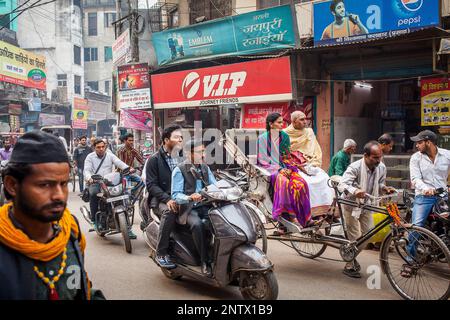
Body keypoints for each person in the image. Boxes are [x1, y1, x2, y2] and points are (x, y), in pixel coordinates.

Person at [0, 131, 101, 300]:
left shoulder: (70, 232)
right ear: (12, 185)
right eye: (45, 184)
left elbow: (80, 291)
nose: (59, 195)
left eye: (64, 184)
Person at [339, 141, 395, 278]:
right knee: (355, 237)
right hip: (350, 204)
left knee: (368, 235)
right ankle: (349, 264)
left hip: (367, 204)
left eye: (380, 157)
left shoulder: (381, 167)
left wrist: (384, 188)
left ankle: (348, 254)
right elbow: (343, 184)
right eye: (375, 157)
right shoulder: (355, 167)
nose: (378, 160)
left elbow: (380, 182)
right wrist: (355, 190)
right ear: (365, 155)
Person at [403, 130, 450, 277]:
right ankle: (410, 261)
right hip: (424, 197)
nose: (417, 145)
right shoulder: (415, 158)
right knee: (416, 227)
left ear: (428, 142)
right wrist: (427, 189)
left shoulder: (447, 155)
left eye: (419, 142)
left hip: (444, 196)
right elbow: (415, 179)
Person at [257, 113, 313, 235]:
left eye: (282, 122)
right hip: (270, 169)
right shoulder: (262, 139)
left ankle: (306, 218)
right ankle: (291, 218)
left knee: (301, 183)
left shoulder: (285, 137)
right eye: (278, 122)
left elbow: (287, 156)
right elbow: (263, 160)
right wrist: (279, 169)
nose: (281, 125)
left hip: (286, 167)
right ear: (270, 124)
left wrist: (289, 167)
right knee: (284, 182)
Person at [171, 139, 217, 276]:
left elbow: (215, 185)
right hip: (189, 209)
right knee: (198, 225)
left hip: (206, 205)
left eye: (204, 151)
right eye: (199, 152)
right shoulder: (179, 170)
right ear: (188, 154)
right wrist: (189, 197)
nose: (203, 155)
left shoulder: (205, 168)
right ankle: (205, 261)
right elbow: (175, 195)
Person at [145, 125, 183, 269]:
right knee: (170, 212)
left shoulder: (182, 157)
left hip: (182, 197)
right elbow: (152, 185)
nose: (180, 140)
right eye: (176, 137)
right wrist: (167, 199)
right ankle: (161, 253)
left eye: (181, 137)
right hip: (161, 199)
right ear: (166, 140)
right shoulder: (154, 159)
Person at [84, 139, 137, 239]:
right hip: (96, 181)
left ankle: (128, 229)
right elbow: (86, 170)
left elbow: (119, 162)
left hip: (109, 182)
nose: (101, 149)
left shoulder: (109, 155)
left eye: (102, 147)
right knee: (93, 194)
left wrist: (129, 169)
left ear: (105, 147)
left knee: (123, 196)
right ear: (94, 148)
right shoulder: (90, 157)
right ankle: (95, 221)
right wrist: (89, 178)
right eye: (98, 147)